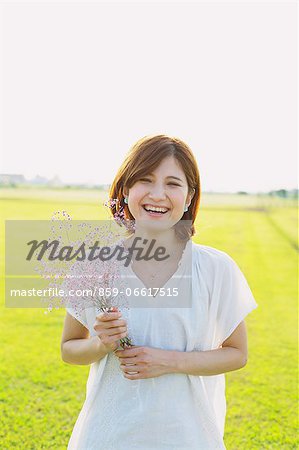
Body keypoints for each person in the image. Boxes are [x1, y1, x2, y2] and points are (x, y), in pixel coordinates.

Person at [61, 134, 258, 449]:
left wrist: (169, 361)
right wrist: (101, 344)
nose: (158, 194)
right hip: (108, 436)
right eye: (145, 180)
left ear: (190, 195)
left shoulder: (216, 268)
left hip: (190, 437)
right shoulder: (94, 266)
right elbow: (69, 349)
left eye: (173, 183)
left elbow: (237, 353)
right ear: (125, 190)